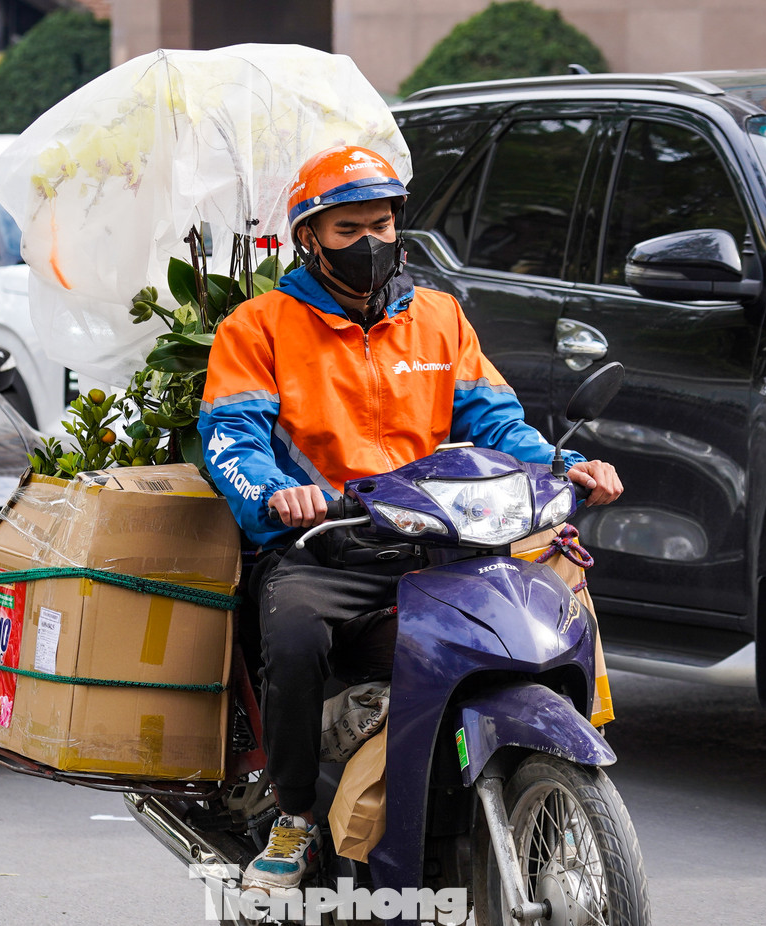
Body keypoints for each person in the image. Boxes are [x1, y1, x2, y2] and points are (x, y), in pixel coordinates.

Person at [197, 145, 623, 894]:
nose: (371, 243)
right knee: (294, 639)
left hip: (435, 541)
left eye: (383, 223)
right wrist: (274, 496)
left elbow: (499, 422)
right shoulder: (258, 327)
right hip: (325, 546)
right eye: (348, 229)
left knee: (532, 610)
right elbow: (231, 442)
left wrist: (564, 467)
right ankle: (294, 813)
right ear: (309, 238)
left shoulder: (438, 319)